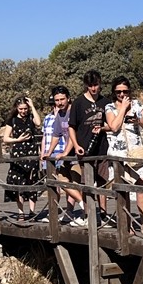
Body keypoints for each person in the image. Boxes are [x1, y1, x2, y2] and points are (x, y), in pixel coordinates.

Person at [105, 76, 143, 234]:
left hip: (136, 152)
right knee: (123, 189)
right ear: (114, 92)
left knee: (141, 185)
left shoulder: (137, 104)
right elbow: (114, 127)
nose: (122, 94)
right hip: (118, 153)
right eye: (118, 92)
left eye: (125, 91)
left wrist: (138, 120)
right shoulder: (109, 107)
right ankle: (127, 224)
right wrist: (122, 109)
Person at [67, 70, 108, 224]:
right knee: (86, 183)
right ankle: (88, 213)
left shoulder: (105, 102)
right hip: (84, 150)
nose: (93, 88)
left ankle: (103, 214)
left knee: (102, 182)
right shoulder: (78, 103)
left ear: (100, 84)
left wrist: (102, 128)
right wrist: (76, 145)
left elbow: (111, 124)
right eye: (90, 85)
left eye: (95, 85)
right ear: (86, 86)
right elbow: (71, 127)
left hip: (101, 148)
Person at [40, 86, 83, 222]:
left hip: (77, 153)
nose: (59, 102)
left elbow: (73, 135)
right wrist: (48, 152)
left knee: (77, 184)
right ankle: (82, 207)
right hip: (67, 155)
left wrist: (65, 152)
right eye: (57, 100)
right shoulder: (60, 115)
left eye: (62, 99)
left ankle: (83, 213)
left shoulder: (74, 111)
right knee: (63, 181)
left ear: (68, 98)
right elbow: (56, 135)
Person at [2, 95, 41, 220]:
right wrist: (17, 140)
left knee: (32, 181)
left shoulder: (31, 117)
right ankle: (21, 212)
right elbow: (5, 138)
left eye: (25, 108)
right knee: (19, 182)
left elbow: (38, 123)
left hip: (32, 152)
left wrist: (32, 106)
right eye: (21, 109)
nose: (23, 111)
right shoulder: (12, 120)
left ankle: (32, 212)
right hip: (18, 153)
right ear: (16, 108)